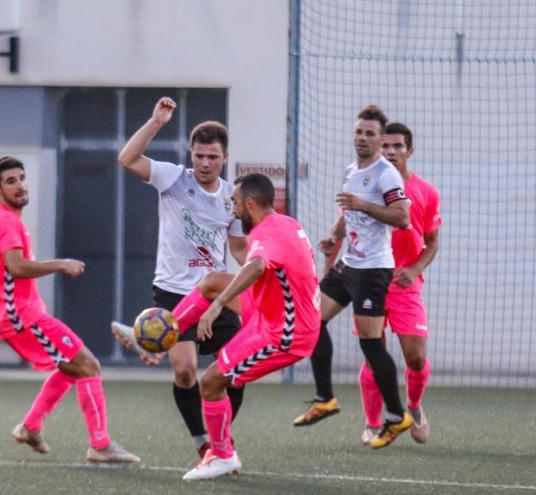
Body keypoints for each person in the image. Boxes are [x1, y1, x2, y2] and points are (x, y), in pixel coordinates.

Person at [110, 97, 249, 459]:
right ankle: (203, 442)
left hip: (216, 295)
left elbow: (238, 249)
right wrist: (156, 122)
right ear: (191, 154)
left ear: (225, 157)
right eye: (198, 155)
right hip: (173, 293)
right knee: (186, 371)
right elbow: (127, 159)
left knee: (234, 370)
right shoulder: (173, 178)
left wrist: (263, 266)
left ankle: (222, 439)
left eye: (212, 157)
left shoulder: (232, 198)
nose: (204, 163)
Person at [0, 156, 139, 463]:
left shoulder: (3, 220)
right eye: (11, 181)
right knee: (88, 365)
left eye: (22, 178)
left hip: (18, 313)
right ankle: (100, 444)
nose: (20, 185)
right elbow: (15, 267)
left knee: (70, 367)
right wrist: (60, 264)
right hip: (23, 316)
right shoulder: (6, 221)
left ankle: (30, 426)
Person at [175, 173, 320, 480]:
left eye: (236, 203)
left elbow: (256, 266)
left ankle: (223, 455)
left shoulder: (265, 234)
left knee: (211, 382)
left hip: (286, 334)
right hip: (271, 312)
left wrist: (217, 307)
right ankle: (167, 333)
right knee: (213, 281)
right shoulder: (285, 223)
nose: (234, 209)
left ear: (250, 204)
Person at [293, 104, 413, 449]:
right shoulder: (351, 169)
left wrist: (364, 206)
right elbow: (347, 210)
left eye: (370, 134)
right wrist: (334, 235)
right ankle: (325, 398)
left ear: (380, 139)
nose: (363, 138)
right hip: (349, 264)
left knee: (371, 343)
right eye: (359, 132)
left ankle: (396, 416)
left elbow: (402, 217)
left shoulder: (386, 174)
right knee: (311, 320)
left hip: (373, 269)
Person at [358, 122, 441, 444]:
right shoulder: (366, 186)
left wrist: (415, 267)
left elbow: (432, 242)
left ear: (409, 151)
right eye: (386, 147)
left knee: (415, 356)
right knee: (373, 354)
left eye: (398, 147)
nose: (391, 152)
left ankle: (414, 407)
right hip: (371, 283)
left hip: (406, 285)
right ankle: (373, 422)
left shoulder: (426, 192)